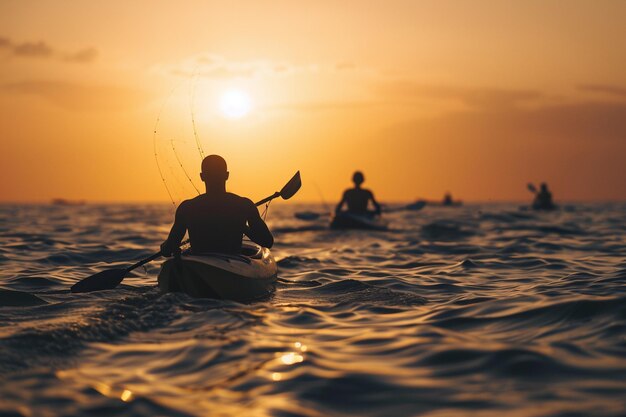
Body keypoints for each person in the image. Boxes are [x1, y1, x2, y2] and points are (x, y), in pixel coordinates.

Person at [160, 155, 273, 256]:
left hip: (199, 264)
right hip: (232, 264)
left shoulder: (187, 207)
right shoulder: (244, 205)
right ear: (226, 175)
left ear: (202, 176)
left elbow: (168, 249)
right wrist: (242, 227)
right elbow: (267, 242)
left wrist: (164, 246)